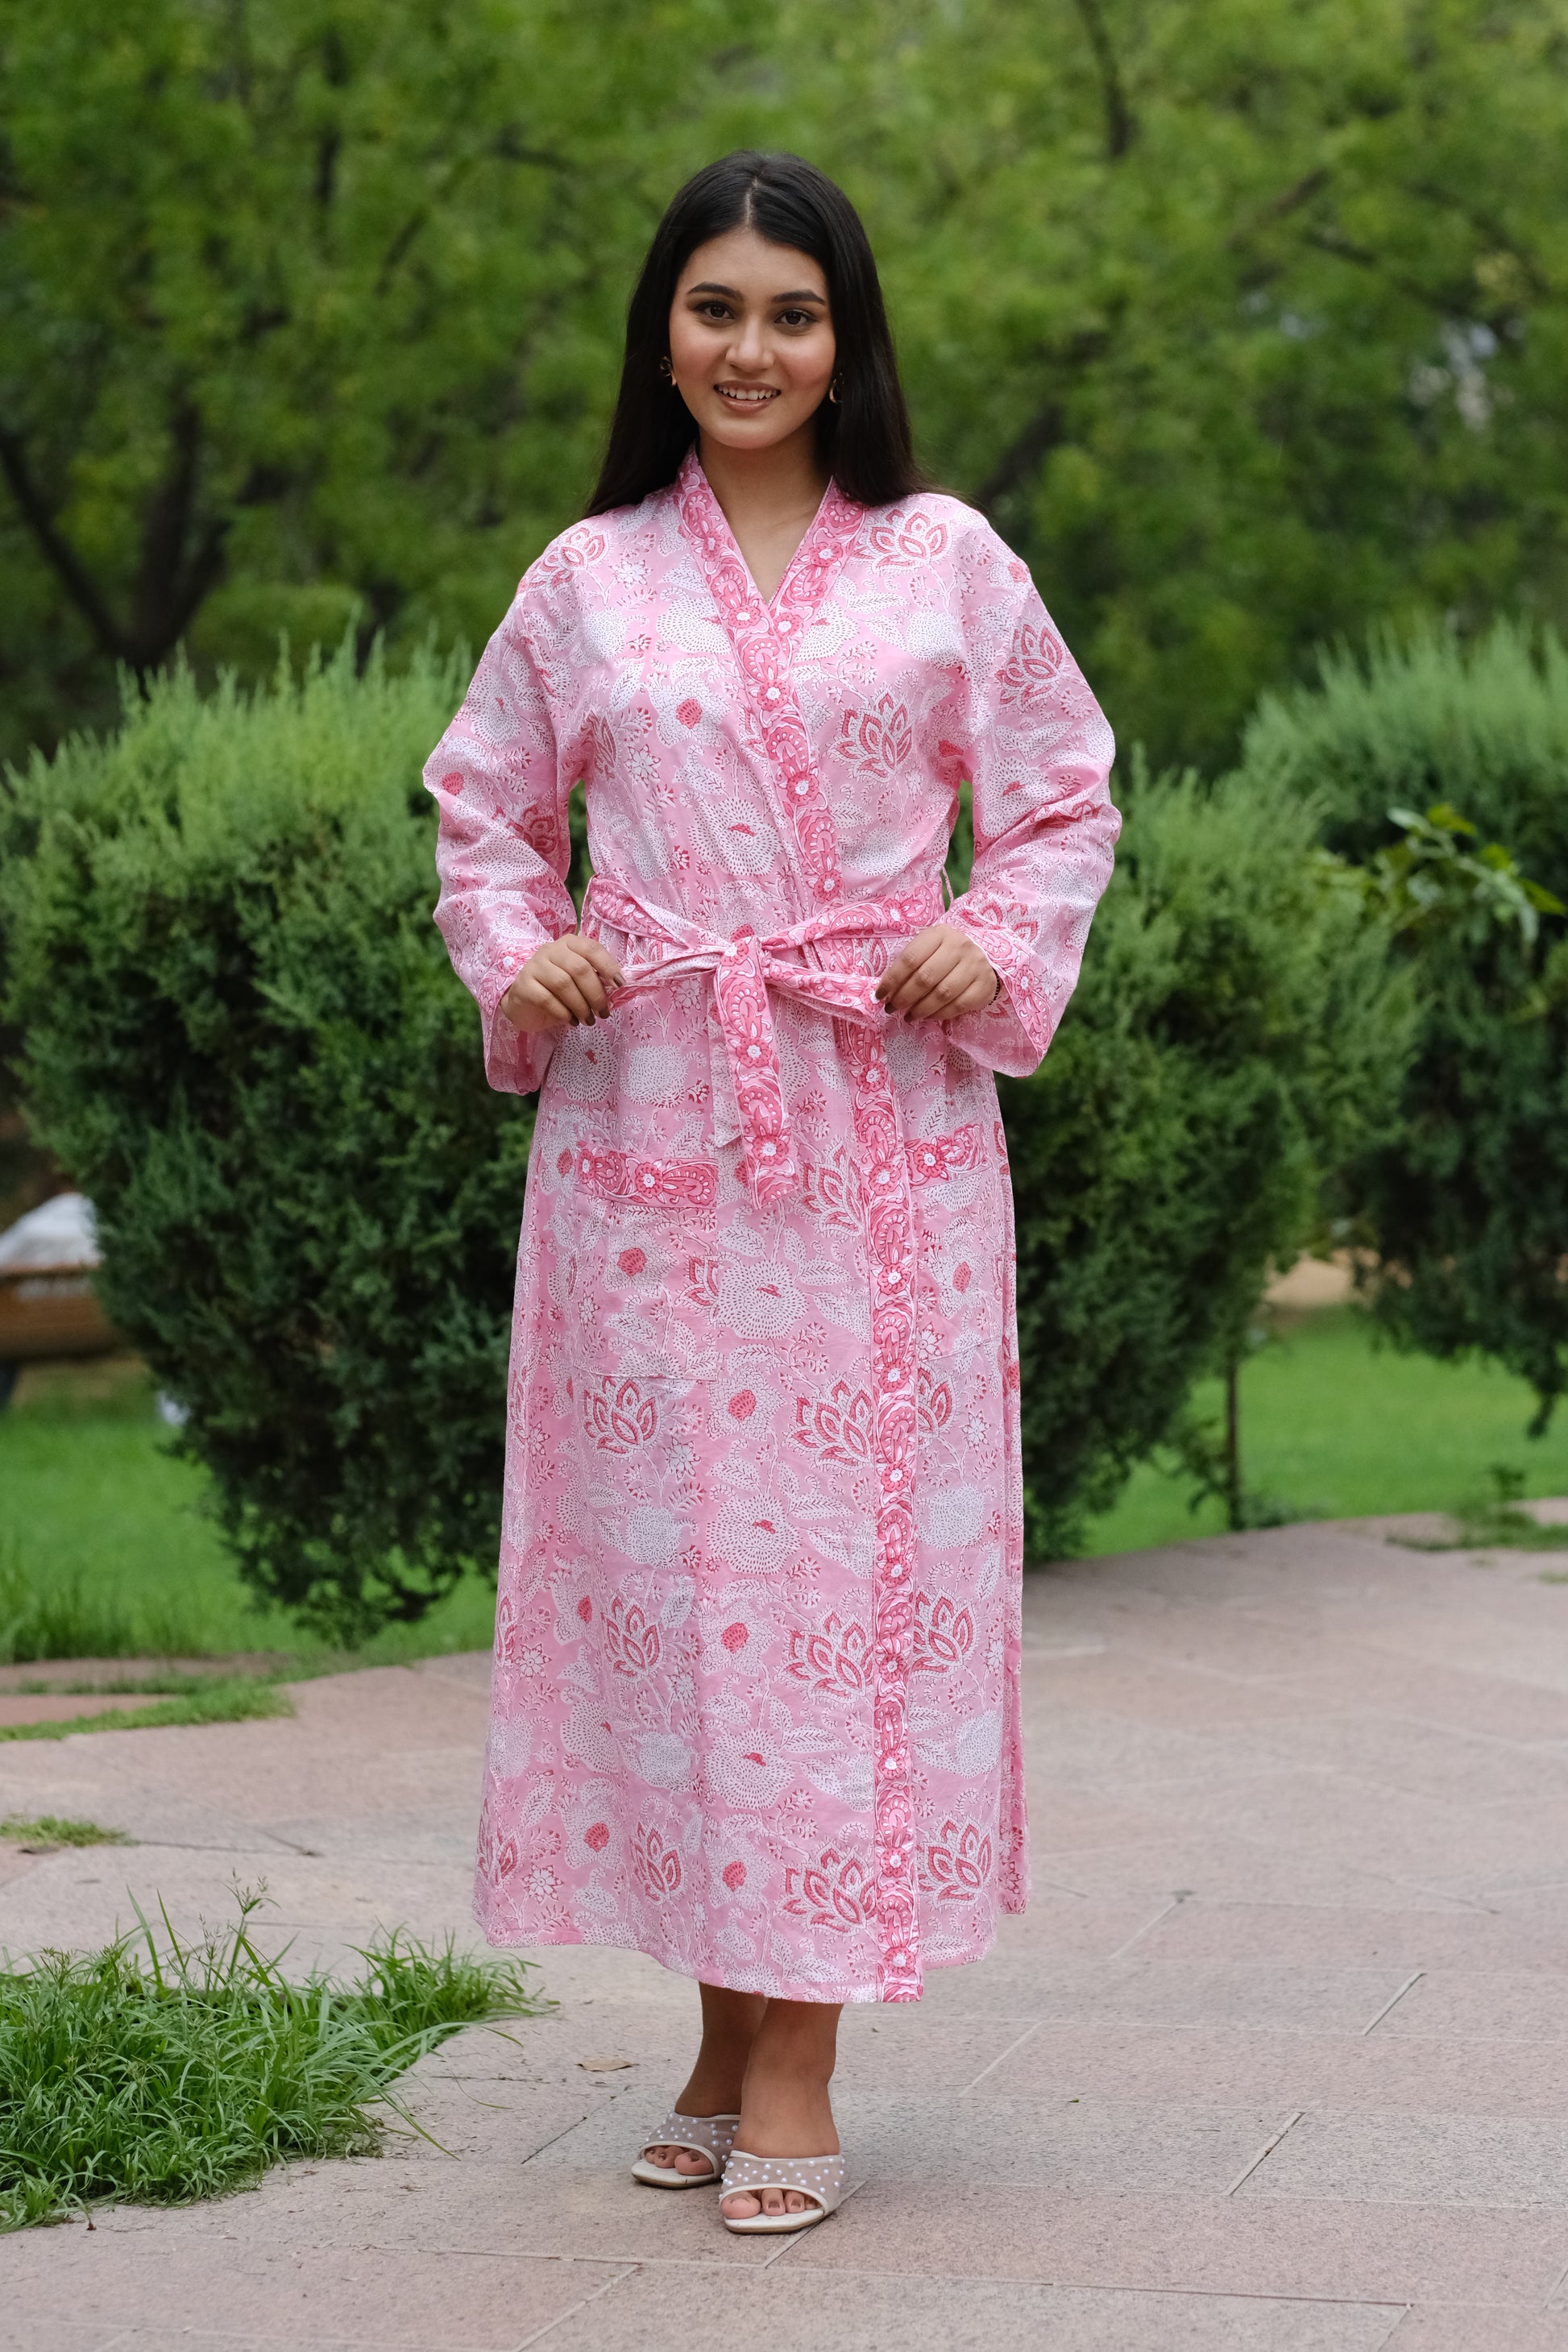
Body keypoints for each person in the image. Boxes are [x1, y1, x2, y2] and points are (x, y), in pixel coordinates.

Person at [425, 149, 1118, 2235]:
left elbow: (1064, 792)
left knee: (832, 1599)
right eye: (715, 306)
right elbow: (478, 810)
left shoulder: (945, 559)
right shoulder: (583, 577)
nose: (749, 346)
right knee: (677, 1604)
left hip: (873, 1139)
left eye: (790, 313)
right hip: (641, 1139)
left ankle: (799, 2053)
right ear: (666, 326)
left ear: (845, 341)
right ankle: (726, 2032)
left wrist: (982, 946)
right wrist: (516, 953)